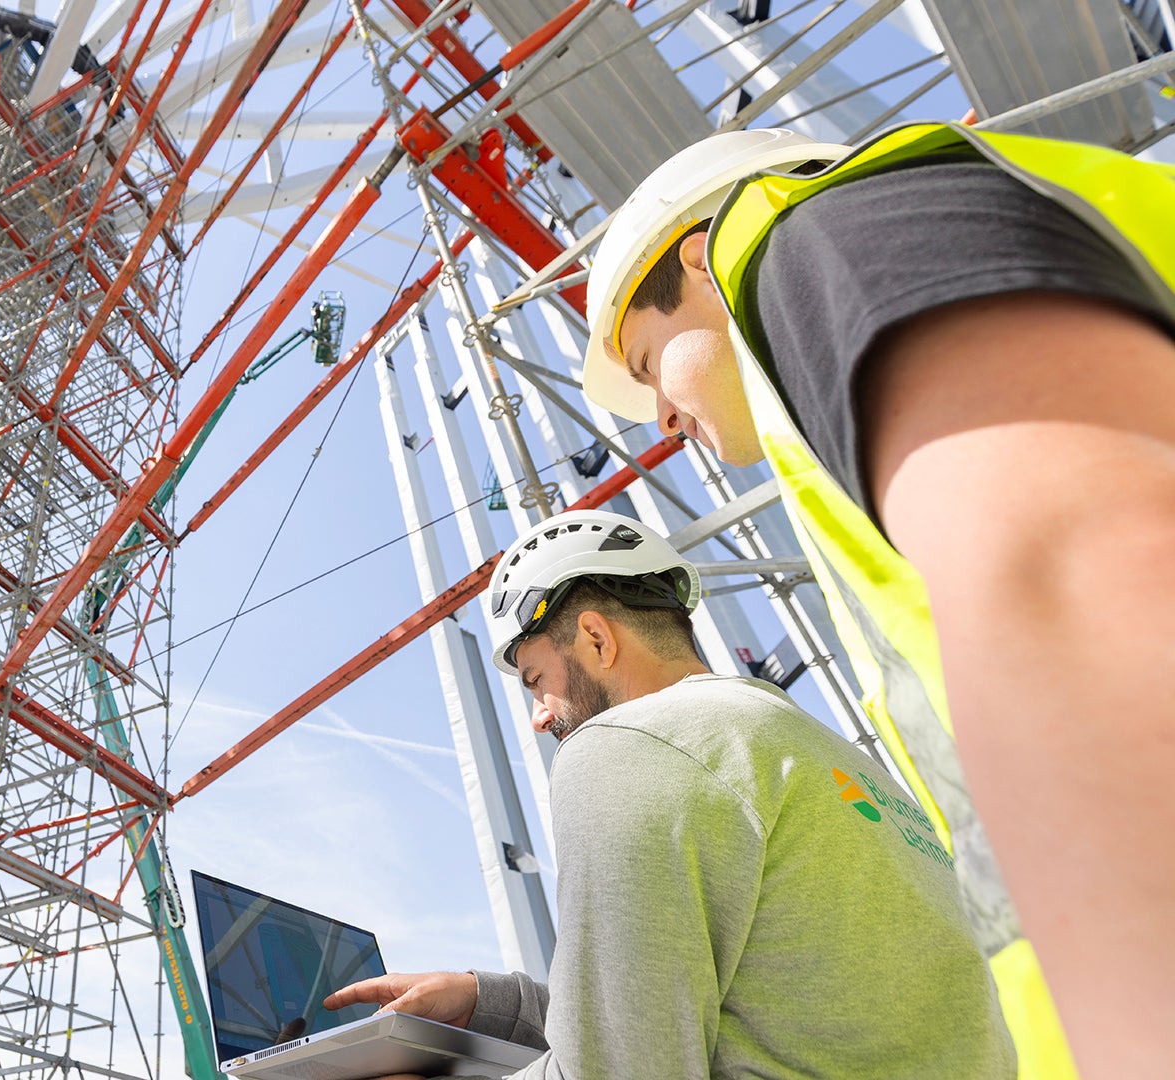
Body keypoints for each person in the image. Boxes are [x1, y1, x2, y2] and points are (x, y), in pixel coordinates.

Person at [574, 121, 1175, 1077]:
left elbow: (1076, 573)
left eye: (650, 363)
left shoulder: (817, 244)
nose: (664, 417)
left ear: (699, 260)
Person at [323, 508, 1014, 1077]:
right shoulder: (811, 746)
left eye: (536, 680)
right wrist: (490, 1002)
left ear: (595, 637)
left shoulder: (628, 744)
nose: (539, 715)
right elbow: (724, 1004)